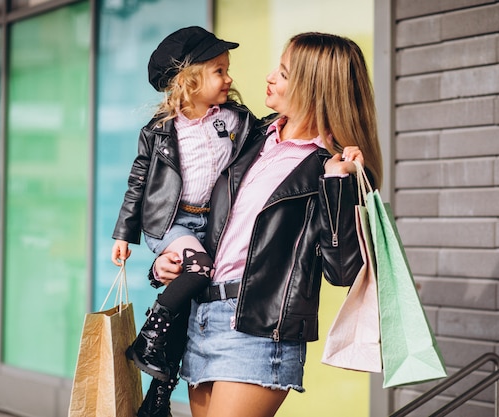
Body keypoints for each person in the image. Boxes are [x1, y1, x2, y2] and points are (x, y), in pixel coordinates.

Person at [153, 32, 383, 417]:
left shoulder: (332, 167)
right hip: (203, 315)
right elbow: (205, 215)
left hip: (258, 329)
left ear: (315, 87)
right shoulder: (250, 137)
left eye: (284, 73)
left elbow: (343, 271)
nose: (270, 77)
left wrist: (338, 182)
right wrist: (171, 256)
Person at [110, 26, 257, 417]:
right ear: (189, 81)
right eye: (219, 71)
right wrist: (124, 234)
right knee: (200, 267)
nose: (229, 79)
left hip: (214, 224)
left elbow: (268, 137)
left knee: (191, 307)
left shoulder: (236, 119)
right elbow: (138, 183)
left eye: (228, 70)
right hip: (173, 223)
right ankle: (150, 333)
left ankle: (158, 396)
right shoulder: (159, 132)